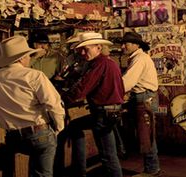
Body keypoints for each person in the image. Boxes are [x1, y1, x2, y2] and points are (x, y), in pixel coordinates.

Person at [0, 36, 65, 177]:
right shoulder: (34, 75)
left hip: (13, 136)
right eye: (29, 55)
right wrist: (59, 126)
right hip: (39, 132)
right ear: (22, 58)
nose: (29, 59)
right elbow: (53, 103)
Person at [62, 32, 124, 177]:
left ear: (98, 47)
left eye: (86, 49)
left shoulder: (99, 63)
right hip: (111, 111)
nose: (83, 53)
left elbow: (82, 89)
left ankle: (79, 171)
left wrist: (63, 98)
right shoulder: (109, 62)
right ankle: (79, 170)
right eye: (81, 50)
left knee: (108, 156)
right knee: (75, 126)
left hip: (103, 113)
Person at [119, 32, 161, 177]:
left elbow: (127, 82)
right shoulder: (139, 57)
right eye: (122, 43)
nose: (123, 46)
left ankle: (152, 169)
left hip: (144, 98)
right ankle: (151, 167)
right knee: (147, 134)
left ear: (136, 45)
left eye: (127, 43)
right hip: (145, 97)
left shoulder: (139, 59)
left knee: (145, 134)